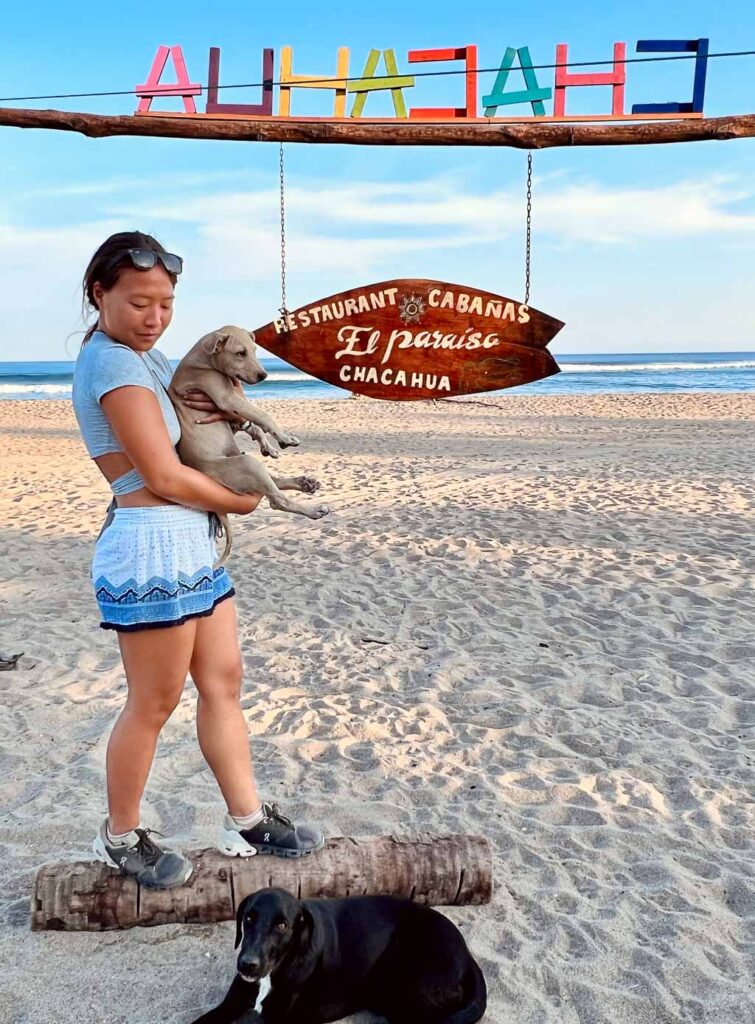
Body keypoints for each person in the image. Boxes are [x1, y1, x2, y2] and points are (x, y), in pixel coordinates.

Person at [71, 230, 323, 889]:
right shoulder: (114, 367)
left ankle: (244, 819)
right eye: (138, 303)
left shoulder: (150, 360)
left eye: (166, 303)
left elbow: (203, 437)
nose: (154, 318)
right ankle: (120, 836)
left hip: (192, 542)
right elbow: (161, 472)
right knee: (152, 702)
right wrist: (242, 504)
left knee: (223, 681)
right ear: (99, 294)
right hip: (152, 546)